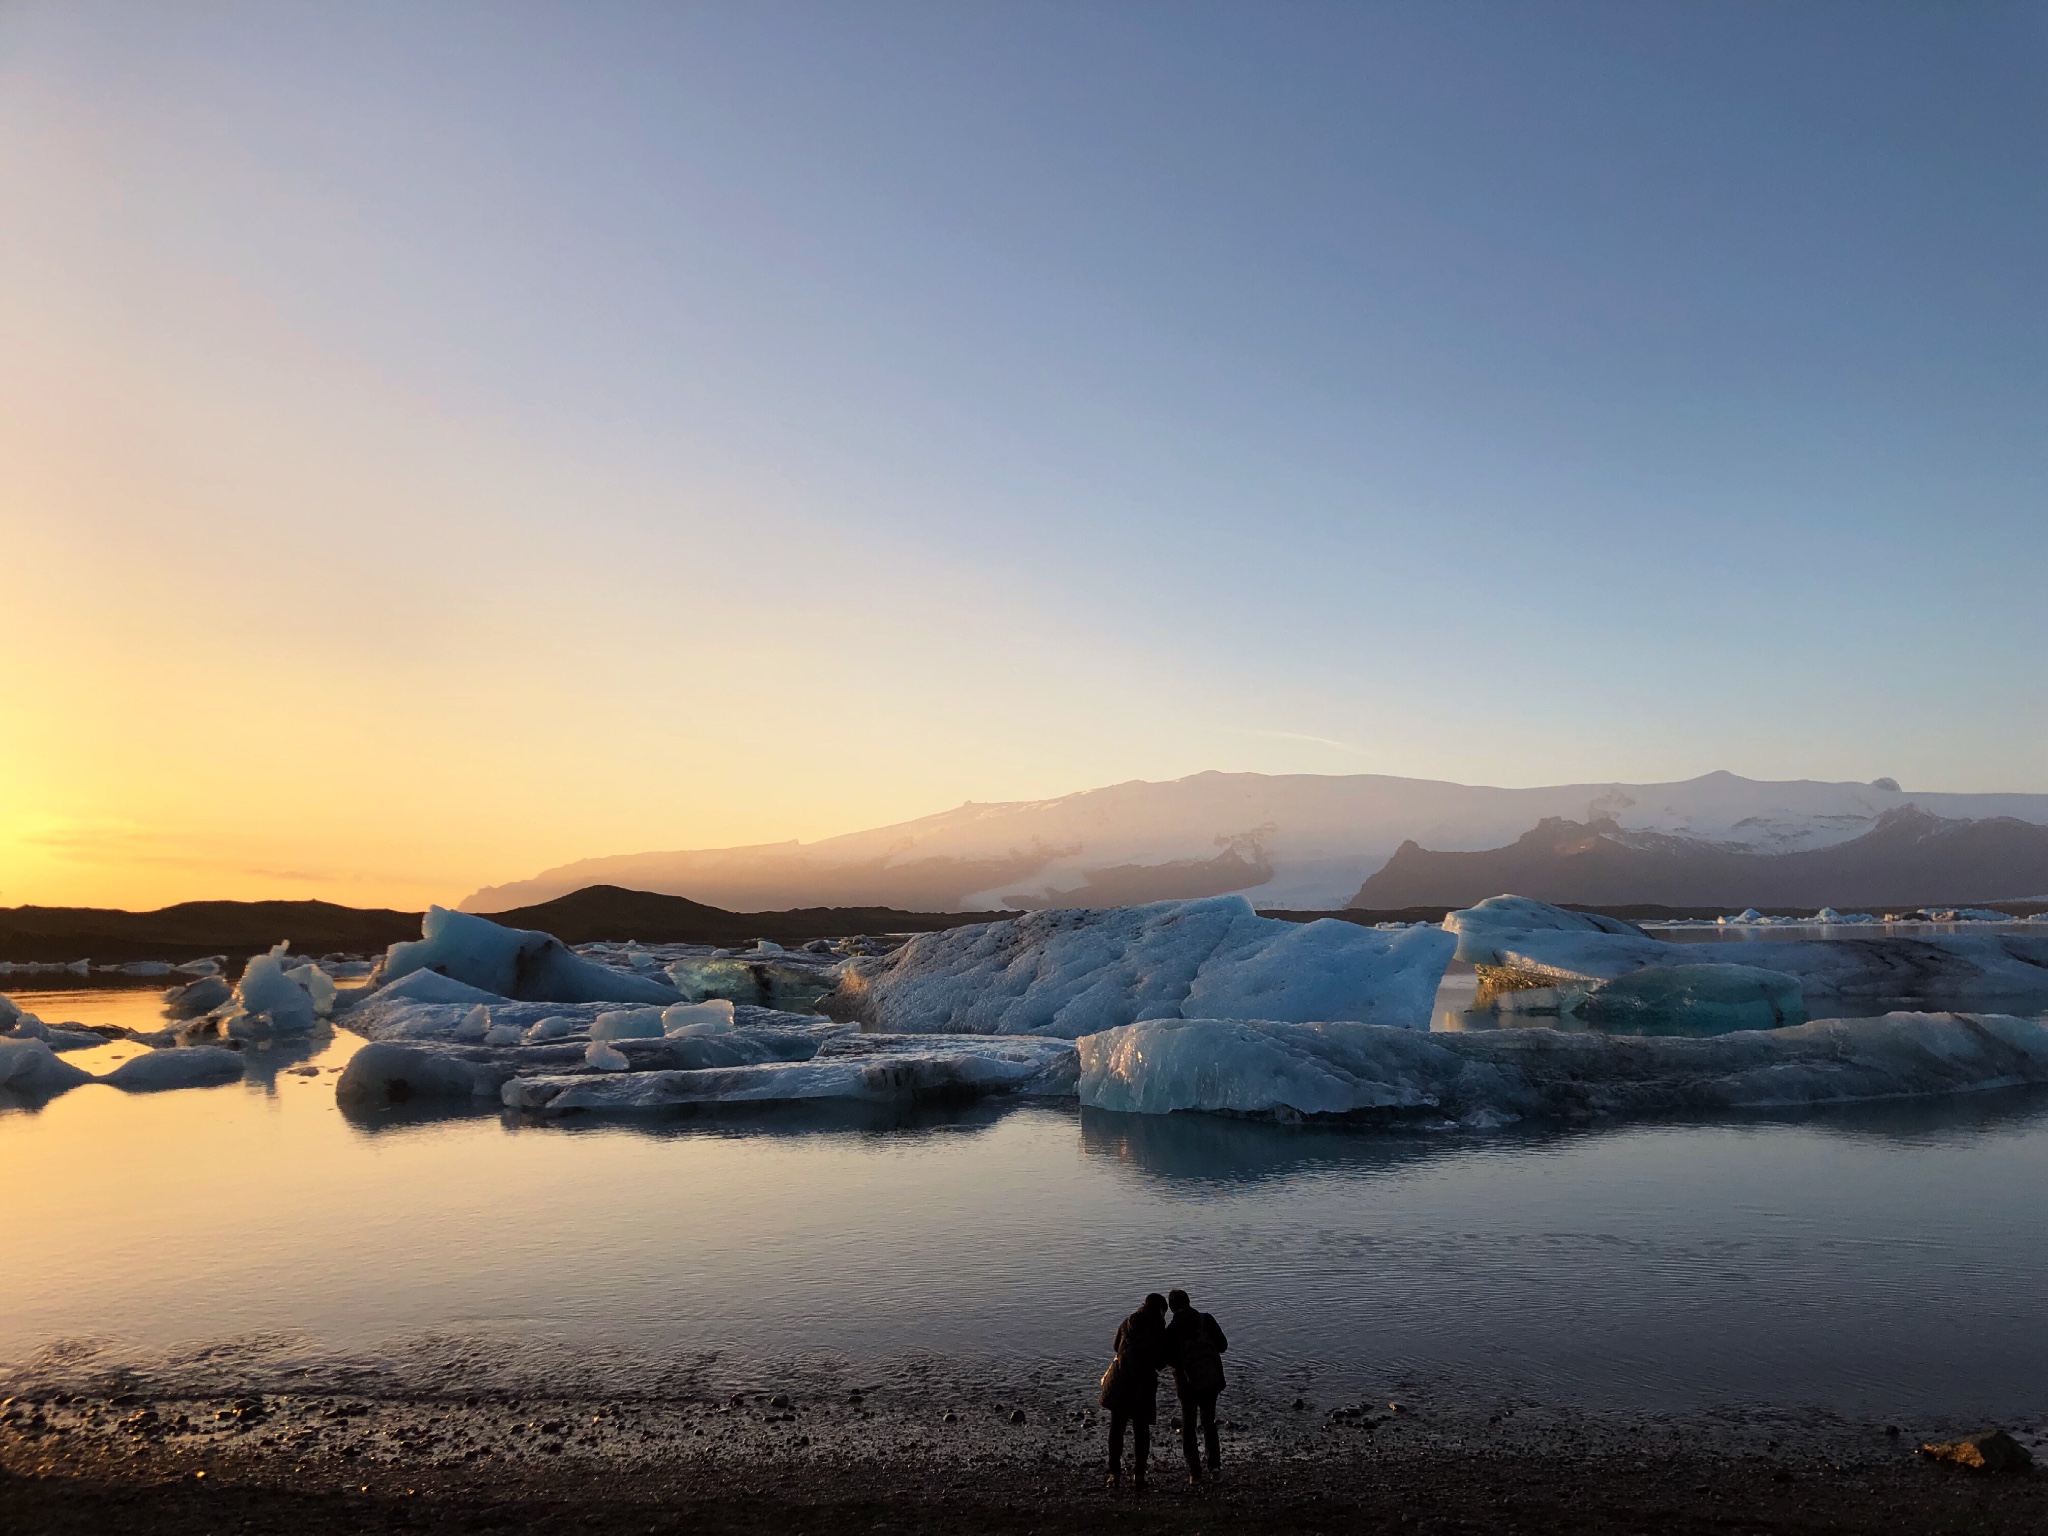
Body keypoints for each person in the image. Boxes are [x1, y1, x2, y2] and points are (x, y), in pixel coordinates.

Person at [1099, 1292, 1169, 1491]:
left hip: (1121, 1381)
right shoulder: (1158, 1330)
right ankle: (1139, 1475)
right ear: (1161, 1311)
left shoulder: (1128, 1322)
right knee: (1141, 1431)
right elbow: (1160, 1363)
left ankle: (1114, 1473)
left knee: (1117, 1429)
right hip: (1143, 1385)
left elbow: (1115, 1347)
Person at [1165, 1288, 1229, 1483]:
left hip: (1187, 1386)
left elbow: (1170, 1360)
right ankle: (1215, 1468)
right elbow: (1223, 1346)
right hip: (1210, 1380)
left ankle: (1195, 1473)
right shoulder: (1205, 1320)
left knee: (1189, 1426)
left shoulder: (1171, 1330)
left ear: (1171, 1308)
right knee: (1209, 1423)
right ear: (1189, 1301)